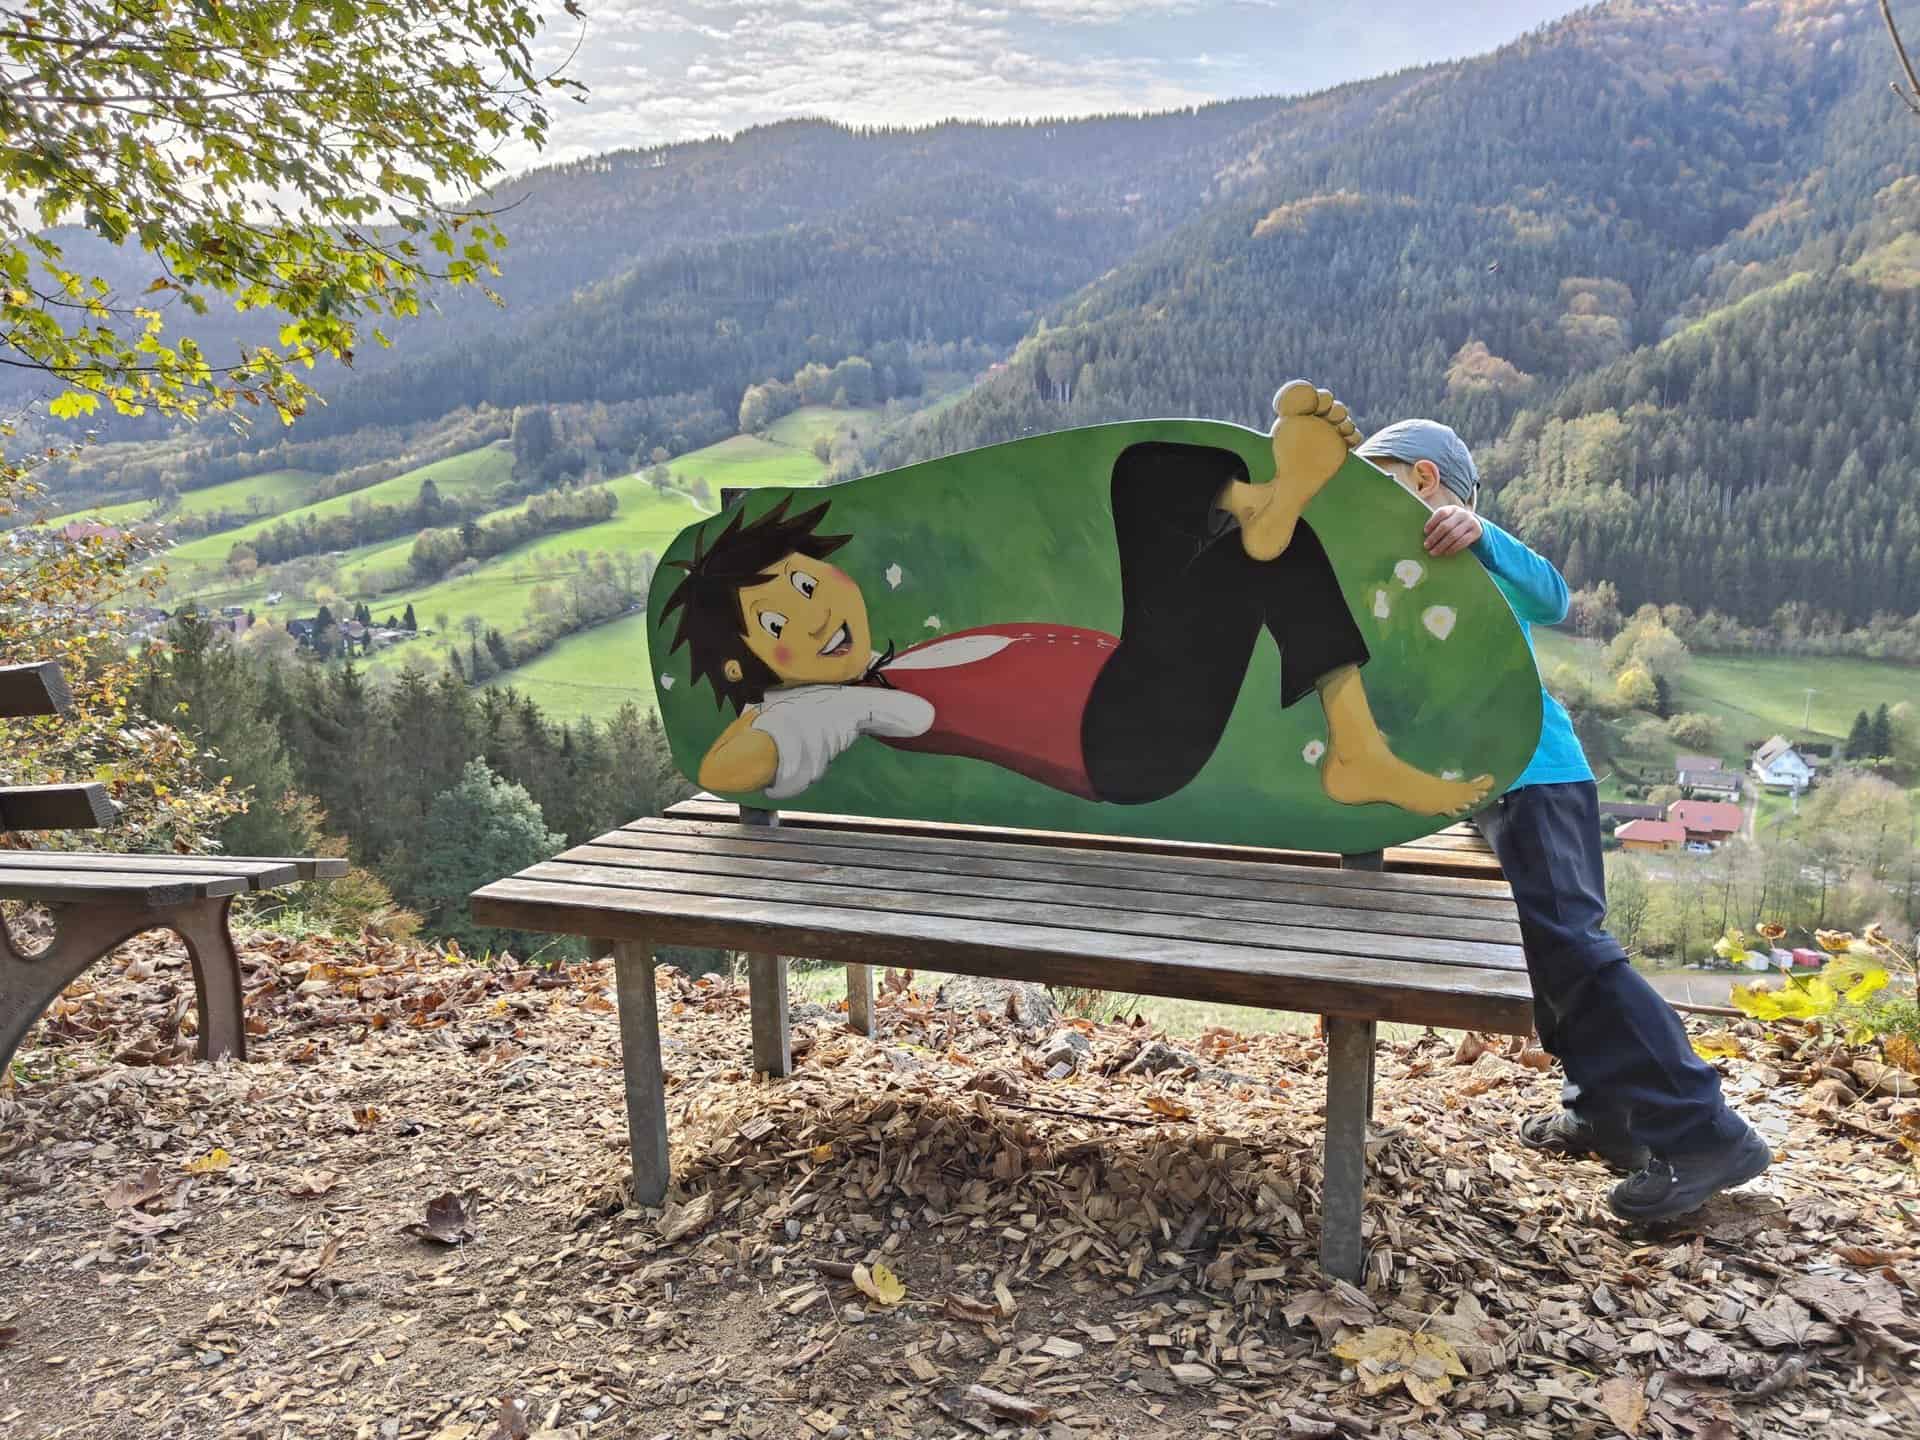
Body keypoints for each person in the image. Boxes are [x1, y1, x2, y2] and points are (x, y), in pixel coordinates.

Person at [662, 381, 1493, 816]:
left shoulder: (898, 665)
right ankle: (1354, 740)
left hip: (1135, 685)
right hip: (1125, 741)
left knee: (1155, 481)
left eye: (806, 583)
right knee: (1249, 542)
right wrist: (782, 711)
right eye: (777, 624)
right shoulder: (874, 705)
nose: (811, 614)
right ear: (751, 665)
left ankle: (1259, 509)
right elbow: (725, 767)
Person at [1357, 418, 1771, 1223]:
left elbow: (1553, 596)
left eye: (1377, 477)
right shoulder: (1397, 568)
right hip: (1488, 783)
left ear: (1424, 480)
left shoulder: (1469, 551)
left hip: (1537, 777)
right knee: (1551, 958)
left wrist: (1480, 535)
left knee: (1576, 950)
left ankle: (1705, 1133)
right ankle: (1604, 1115)